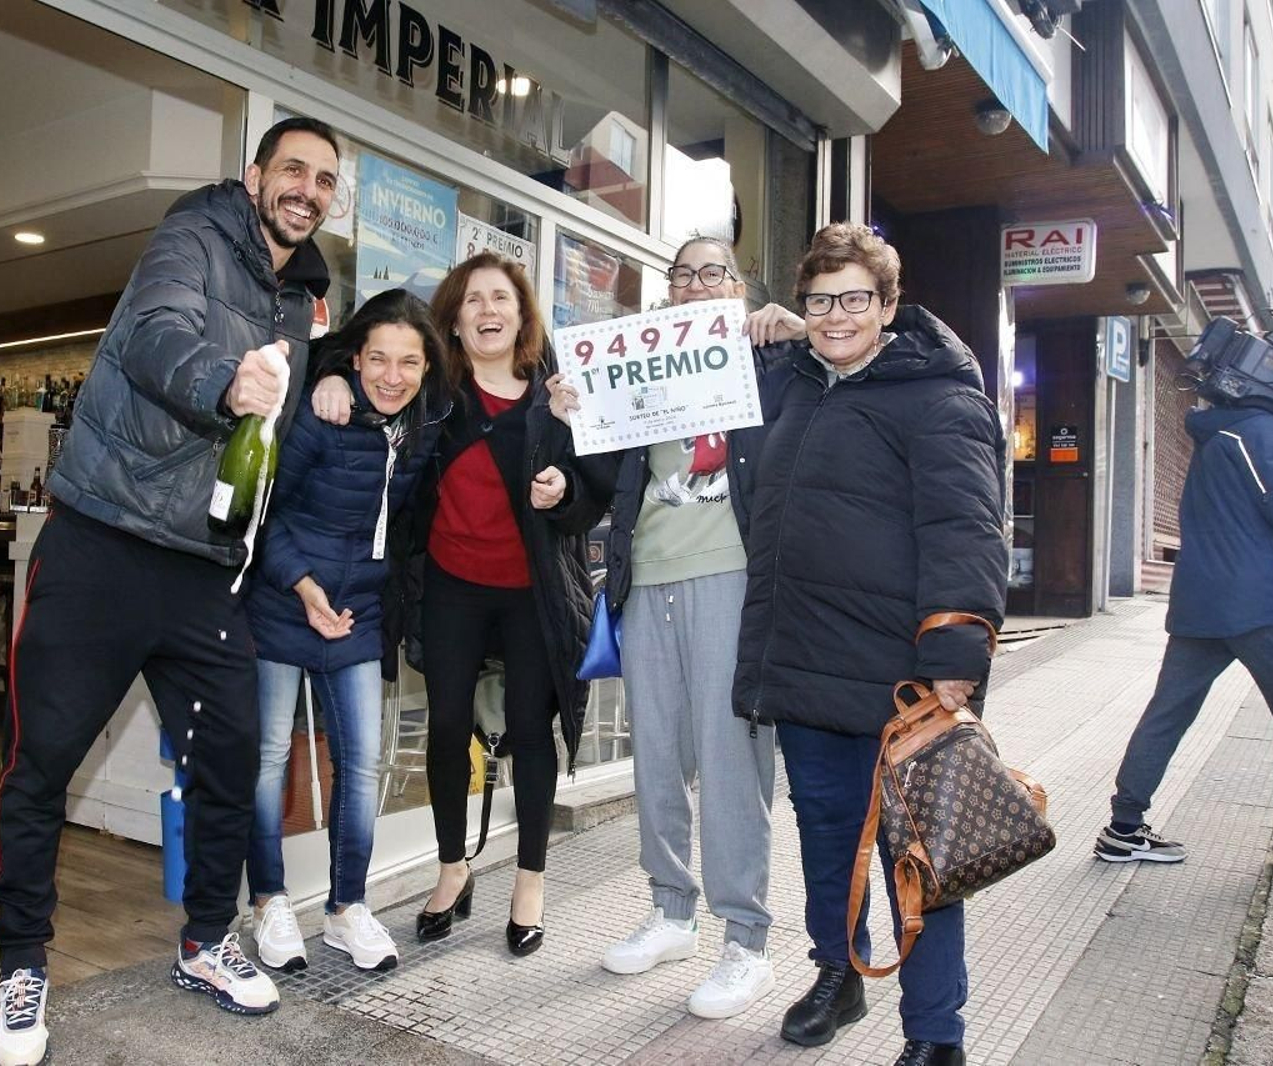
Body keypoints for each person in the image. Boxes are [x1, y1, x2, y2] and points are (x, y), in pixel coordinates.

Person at [0, 117, 339, 1066]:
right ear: (256, 174)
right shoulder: (193, 235)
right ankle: (21, 965)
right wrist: (226, 384)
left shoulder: (306, 293)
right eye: (292, 169)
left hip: (206, 566)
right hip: (103, 541)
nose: (307, 188)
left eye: (325, 179)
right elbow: (154, 336)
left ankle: (204, 939)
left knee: (230, 759)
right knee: (42, 761)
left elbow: (289, 421)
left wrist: (333, 379)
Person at [733, 222, 1006, 1066]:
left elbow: (965, 529)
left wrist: (955, 658)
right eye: (820, 300)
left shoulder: (939, 397)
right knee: (823, 833)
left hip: (899, 679)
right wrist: (759, 340)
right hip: (806, 659)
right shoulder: (794, 387)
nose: (836, 315)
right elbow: (708, 426)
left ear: (889, 305)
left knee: (915, 858)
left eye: (855, 298)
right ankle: (835, 973)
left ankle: (935, 1034)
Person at [312, 251, 599, 957]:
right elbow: (347, 349)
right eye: (472, 300)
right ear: (454, 317)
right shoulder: (433, 392)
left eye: (501, 298)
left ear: (523, 314)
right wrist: (327, 376)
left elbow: (597, 495)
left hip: (531, 593)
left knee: (532, 733)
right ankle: (452, 870)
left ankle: (529, 881)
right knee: (445, 732)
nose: (488, 311)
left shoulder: (558, 394)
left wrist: (565, 488)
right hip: (448, 587)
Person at [543, 236, 792, 1020]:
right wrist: (568, 419)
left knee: (729, 760)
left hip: (729, 573)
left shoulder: (771, 361)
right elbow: (596, 488)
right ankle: (671, 910)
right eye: (680, 273)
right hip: (645, 580)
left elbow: (837, 380)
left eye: (711, 272)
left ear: (737, 287)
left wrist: (794, 333)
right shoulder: (639, 365)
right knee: (655, 758)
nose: (693, 284)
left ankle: (746, 940)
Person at [244, 289, 451, 973]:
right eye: (378, 359)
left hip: (358, 613)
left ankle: (345, 908)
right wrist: (304, 589)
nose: (393, 376)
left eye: (410, 363)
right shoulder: (320, 414)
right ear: (355, 357)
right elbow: (265, 516)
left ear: (427, 368)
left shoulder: (425, 427)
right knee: (270, 755)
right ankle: (270, 902)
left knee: (362, 762)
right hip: (284, 596)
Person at [1095, 318, 1273, 864]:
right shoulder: (1260, 433)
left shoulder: (1216, 435)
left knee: (1169, 712)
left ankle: (1123, 828)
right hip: (1258, 604)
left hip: (1201, 602)